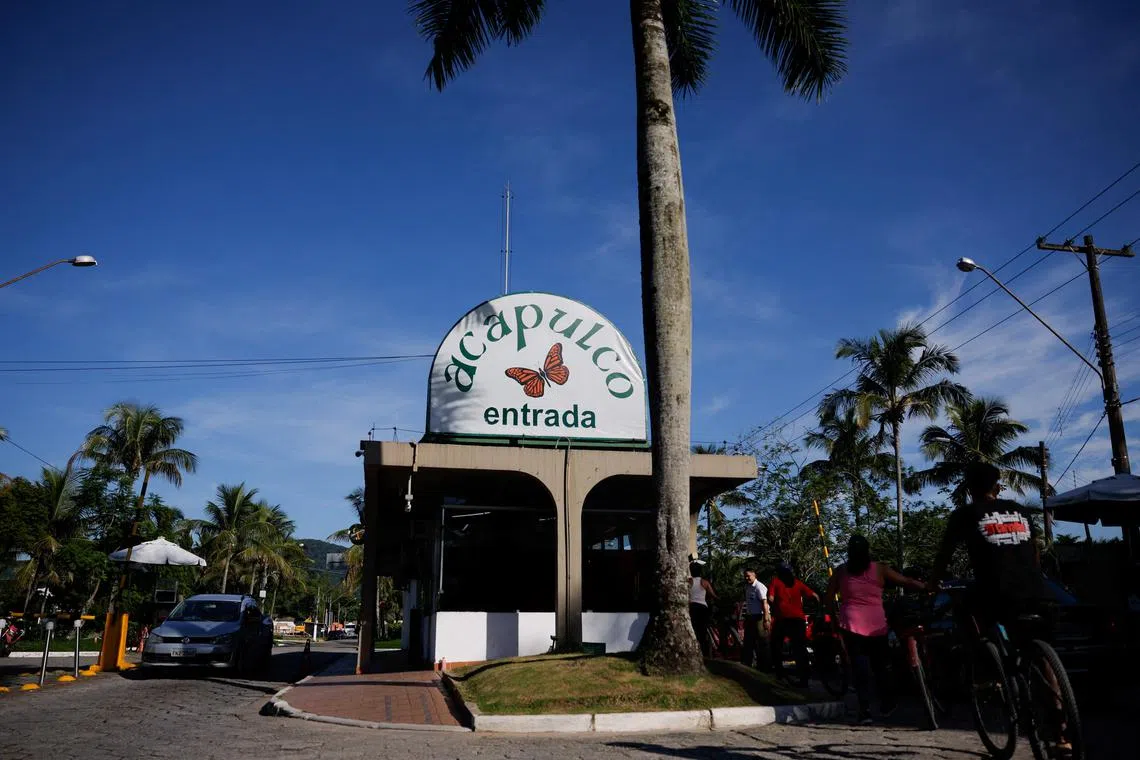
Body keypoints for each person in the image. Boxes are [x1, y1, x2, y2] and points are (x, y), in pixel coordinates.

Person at [827, 534, 926, 724]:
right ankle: (887, 704)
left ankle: (865, 711)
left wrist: (833, 620)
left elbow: (829, 599)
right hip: (876, 626)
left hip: (851, 625)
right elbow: (905, 581)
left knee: (860, 668)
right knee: (881, 667)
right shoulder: (878, 569)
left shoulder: (841, 571)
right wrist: (925, 586)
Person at [768, 562, 818, 687]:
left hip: (783, 619)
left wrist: (773, 607)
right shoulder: (797, 582)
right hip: (798, 619)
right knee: (800, 648)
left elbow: (770, 598)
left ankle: (779, 673)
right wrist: (817, 608)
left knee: (775, 644)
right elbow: (814, 595)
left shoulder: (776, 581)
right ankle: (804, 679)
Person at [740, 568, 770, 669]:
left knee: (762, 642)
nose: (746, 578)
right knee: (748, 641)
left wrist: (766, 620)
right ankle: (747, 663)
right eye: (745, 576)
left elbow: (764, 603)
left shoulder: (759, 586)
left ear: (754, 575)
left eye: (748, 576)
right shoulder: (748, 587)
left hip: (760, 617)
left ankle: (764, 666)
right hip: (750, 617)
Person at [688, 560, 717, 657]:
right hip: (702, 608)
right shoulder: (704, 582)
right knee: (703, 630)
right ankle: (704, 652)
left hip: (692, 607)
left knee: (694, 629)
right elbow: (713, 595)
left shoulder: (688, 581)